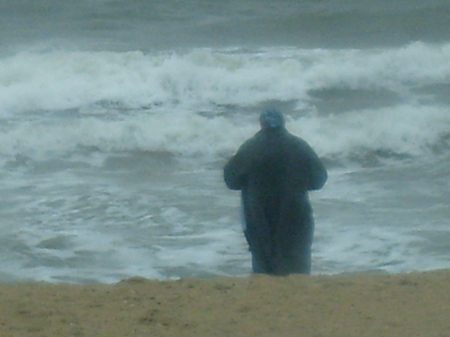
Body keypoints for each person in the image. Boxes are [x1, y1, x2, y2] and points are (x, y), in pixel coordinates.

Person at [224, 109, 327, 275]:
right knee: (296, 261)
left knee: (263, 263)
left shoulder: (250, 148)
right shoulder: (299, 146)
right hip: (295, 212)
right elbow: (319, 180)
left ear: (261, 124)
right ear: (283, 123)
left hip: (258, 213)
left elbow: (231, 180)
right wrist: (299, 184)